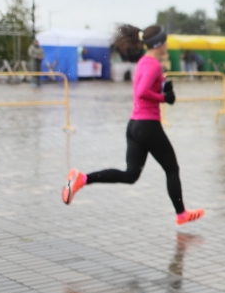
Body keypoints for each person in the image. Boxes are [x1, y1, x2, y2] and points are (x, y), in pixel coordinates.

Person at [61, 24, 205, 226]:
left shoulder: (144, 62)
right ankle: (181, 214)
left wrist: (164, 92)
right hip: (148, 126)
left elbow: (145, 88)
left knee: (131, 175)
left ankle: (82, 179)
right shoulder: (153, 65)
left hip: (134, 125)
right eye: (165, 41)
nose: (167, 44)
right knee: (172, 168)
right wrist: (163, 98)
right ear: (159, 43)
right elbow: (142, 92)